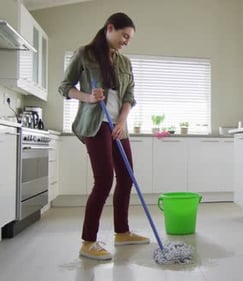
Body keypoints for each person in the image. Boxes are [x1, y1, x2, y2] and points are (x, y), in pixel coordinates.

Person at [58, 12, 149, 261]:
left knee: (127, 178)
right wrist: (88, 97)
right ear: (110, 28)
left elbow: (129, 95)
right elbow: (64, 87)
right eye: (124, 36)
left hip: (118, 127)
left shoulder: (125, 63)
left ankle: (122, 232)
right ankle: (88, 242)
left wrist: (122, 121)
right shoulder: (84, 54)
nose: (126, 42)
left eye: (129, 39)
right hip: (96, 125)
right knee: (104, 180)